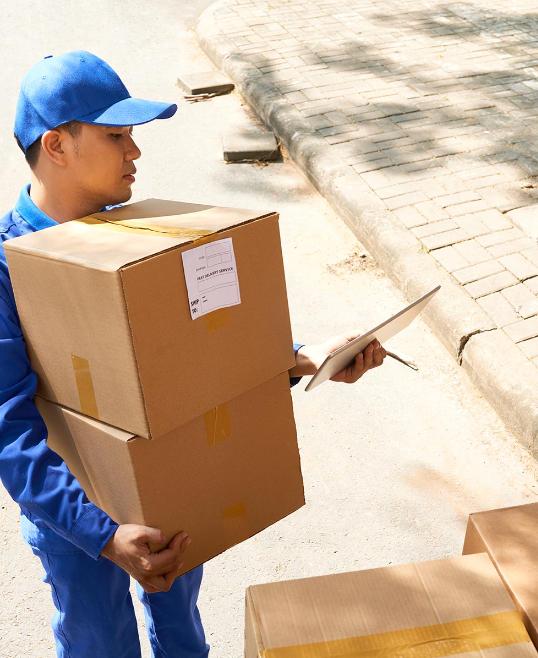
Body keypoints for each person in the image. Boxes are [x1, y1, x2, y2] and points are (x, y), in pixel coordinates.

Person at [0, 51, 386, 658]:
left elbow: (193, 348)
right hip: (74, 514)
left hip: (168, 487)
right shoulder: (8, 265)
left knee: (181, 629)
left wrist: (300, 357)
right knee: (98, 639)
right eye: (116, 136)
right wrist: (102, 536)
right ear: (57, 145)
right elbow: (9, 427)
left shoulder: (136, 235)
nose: (135, 152)